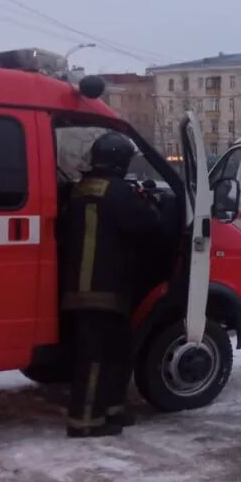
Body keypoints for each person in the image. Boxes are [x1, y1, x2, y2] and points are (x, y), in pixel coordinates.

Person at [60, 132, 162, 438]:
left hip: (78, 288)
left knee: (116, 352)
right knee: (97, 356)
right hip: (105, 290)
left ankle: (112, 409)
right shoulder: (118, 192)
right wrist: (149, 203)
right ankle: (85, 421)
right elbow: (147, 226)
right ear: (120, 160)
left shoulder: (79, 190)